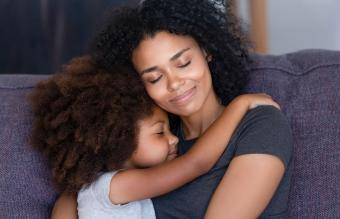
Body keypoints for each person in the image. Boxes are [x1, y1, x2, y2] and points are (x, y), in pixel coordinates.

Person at [54, 0, 294, 218]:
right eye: (155, 78)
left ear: (206, 50)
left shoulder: (260, 124)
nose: (175, 83)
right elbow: (79, 195)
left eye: (183, 63)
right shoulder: (151, 139)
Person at [30, 56, 280, 219]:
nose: (174, 140)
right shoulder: (115, 186)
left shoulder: (91, 191)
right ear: (120, 140)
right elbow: (196, 163)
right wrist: (240, 104)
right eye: (160, 132)